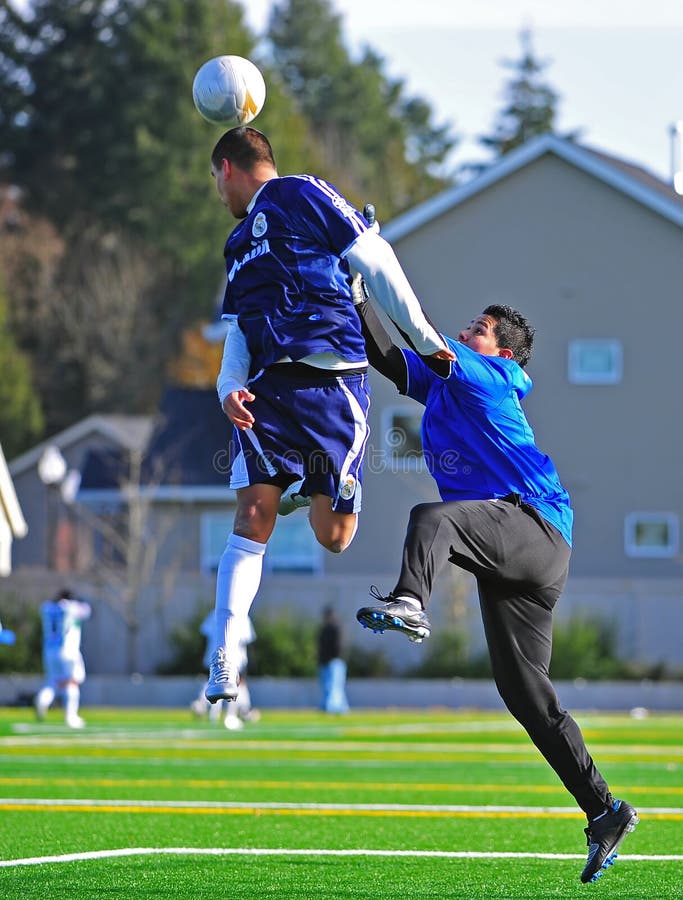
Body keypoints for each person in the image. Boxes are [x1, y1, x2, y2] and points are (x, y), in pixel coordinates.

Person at [353, 293, 638, 884]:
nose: (465, 332)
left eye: (477, 330)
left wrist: (372, 269)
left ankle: (410, 601)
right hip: (510, 547)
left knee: (433, 519)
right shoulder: (446, 384)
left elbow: (418, 329)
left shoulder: (489, 375)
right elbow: (389, 355)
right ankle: (605, 811)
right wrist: (357, 296)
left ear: (501, 352)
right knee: (524, 694)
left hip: (534, 527)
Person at [203, 126, 453, 705]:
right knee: (252, 515)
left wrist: (421, 335)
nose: (218, 193)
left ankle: (303, 490)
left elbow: (373, 253)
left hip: (333, 384)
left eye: (215, 180)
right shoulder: (238, 243)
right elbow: (238, 330)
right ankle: (225, 652)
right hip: (268, 390)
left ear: (228, 168)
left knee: (334, 536)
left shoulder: (300, 193)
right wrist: (228, 387)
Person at [190, 611, 260, 730]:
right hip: (234, 658)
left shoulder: (214, 614)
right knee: (234, 684)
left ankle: (206, 707)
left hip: (215, 655)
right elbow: (247, 640)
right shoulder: (242, 616)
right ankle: (233, 713)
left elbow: (204, 636)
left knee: (214, 681)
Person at [34, 587, 91, 729]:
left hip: (49, 651)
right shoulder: (71, 607)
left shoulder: (47, 608)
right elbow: (87, 611)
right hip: (68, 650)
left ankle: (42, 701)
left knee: (53, 682)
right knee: (72, 682)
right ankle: (71, 717)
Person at [317, 605, 349, 714]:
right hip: (325, 662)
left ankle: (332, 707)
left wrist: (332, 657)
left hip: (334, 662)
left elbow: (337, 646)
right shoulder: (324, 629)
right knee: (329, 686)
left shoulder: (336, 628)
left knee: (334, 686)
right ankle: (338, 707)